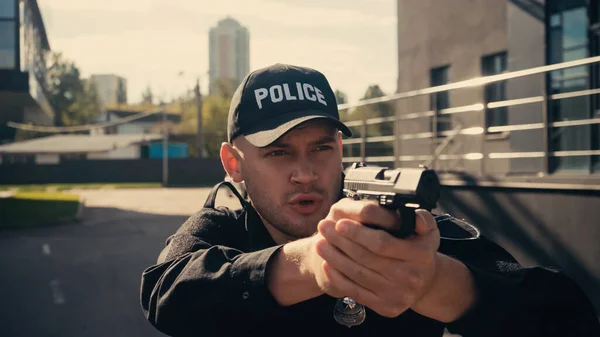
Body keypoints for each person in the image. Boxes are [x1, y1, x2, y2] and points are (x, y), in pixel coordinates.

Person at [140, 64, 600, 337]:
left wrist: (439, 285)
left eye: (321, 148)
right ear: (234, 163)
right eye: (278, 152)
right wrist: (313, 264)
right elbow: (167, 293)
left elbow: (566, 315)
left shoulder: (400, 231)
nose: (305, 173)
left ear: (341, 151)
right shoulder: (223, 226)